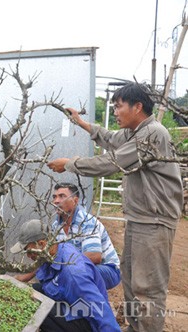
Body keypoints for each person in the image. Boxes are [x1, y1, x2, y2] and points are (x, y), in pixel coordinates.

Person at [47, 82, 183, 332]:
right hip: (140, 219)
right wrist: (80, 122)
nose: (116, 112)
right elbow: (110, 140)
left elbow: (113, 162)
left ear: (137, 106)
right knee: (131, 280)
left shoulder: (152, 133)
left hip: (154, 221)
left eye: (119, 107)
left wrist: (70, 164)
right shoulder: (134, 132)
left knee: (148, 286)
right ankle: (135, 326)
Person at [10, 219, 121, 332]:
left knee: (37, 307)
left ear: (42, 244)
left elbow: (100, 310)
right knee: (31, 292)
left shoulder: (74, 274)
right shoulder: (55, 251)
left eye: (29, 251)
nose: (28, 256)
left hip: (85, 322)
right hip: (69, 307)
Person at [51, 182, 121, 290]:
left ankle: (95, 304)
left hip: (108, 269)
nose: (56, 201)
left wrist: (63, 268)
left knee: (73, 274)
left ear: (75, 200)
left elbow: (94, 257)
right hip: (77, 267)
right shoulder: (56, 226)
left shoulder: (87, 221)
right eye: (54, 197)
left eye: (62, 196)